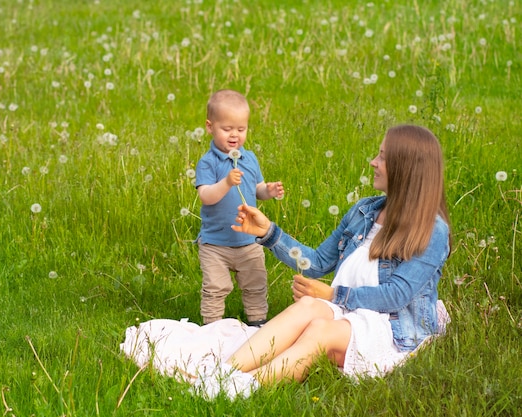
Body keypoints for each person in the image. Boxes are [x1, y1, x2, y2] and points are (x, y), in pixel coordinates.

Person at [190, 124, 452, 399]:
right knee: (307, 306)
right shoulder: (365, 210)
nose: (374, 162)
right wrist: (268, 233)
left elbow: (397, 295)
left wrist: (332, 294)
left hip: (393, 327)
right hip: (349, 311)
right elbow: (316, 262)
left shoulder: (432, 230)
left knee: (320, 331)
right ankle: (223, 373)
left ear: (406, 169)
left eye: (383, 157)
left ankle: (246, 387)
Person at [195, 89, 284, 326]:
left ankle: (257, 323)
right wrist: (225, 182)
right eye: (227, 129)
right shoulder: (208, 162)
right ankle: (212, 327)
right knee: (216, 287)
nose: (234, 135)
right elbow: (206, 196)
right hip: (215, 244)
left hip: (248, 242)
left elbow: (258, 189)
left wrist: (270, 191)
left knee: (256, 284)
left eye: (241, 129)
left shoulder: (250, 158)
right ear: (210, 126)